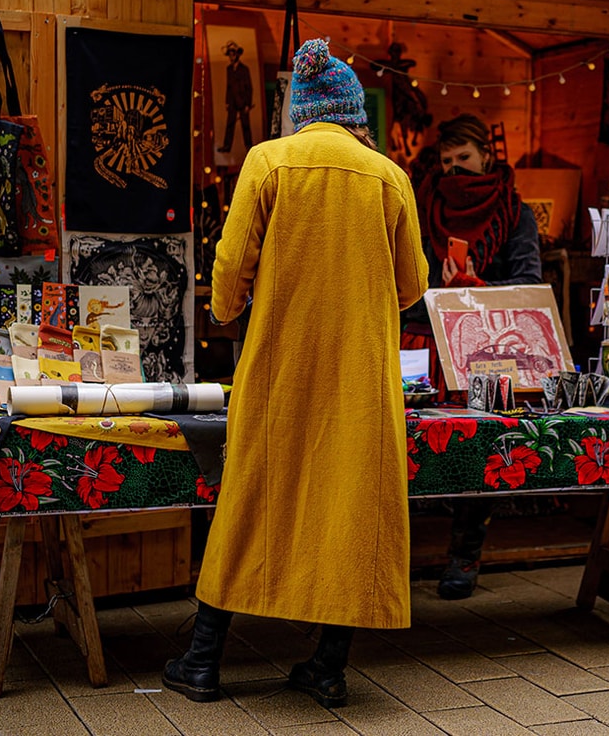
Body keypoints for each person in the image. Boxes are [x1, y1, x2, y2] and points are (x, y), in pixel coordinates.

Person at [163, 38, 429, 709]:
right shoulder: (389, 176)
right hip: (359, 374)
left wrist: (230, 310)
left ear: (300, 112)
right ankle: (328, 668)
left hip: (279, 365)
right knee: (349, 505)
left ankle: (203, 662)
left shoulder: (268, 161)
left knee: (252, 494)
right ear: (353, 116)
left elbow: (229, 269)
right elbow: (411, 286)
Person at [402, 113, 543, 600]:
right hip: (422, 345)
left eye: (464, 158)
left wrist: (477, 291)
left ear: (486, 155)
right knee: (408, 450)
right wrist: (442, 292)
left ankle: (465, 553)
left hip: (487, 351)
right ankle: (397, 554)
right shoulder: (422, 209)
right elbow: (402, 291)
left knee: (477, 452)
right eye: (446, 161)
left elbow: (529, 287)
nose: (455, 169)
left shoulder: (515, 213)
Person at [217, 40, 254, 154]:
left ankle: (249, 147)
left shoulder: (244, 69)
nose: (231, 57)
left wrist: (248, 103)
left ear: (237, 54)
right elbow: (228, 86)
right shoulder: (229, 69)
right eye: (230, 55)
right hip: (233, 101)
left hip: (242, 101)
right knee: (230, 125)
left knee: (245, 126)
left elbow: (249, 87)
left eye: (233, 54)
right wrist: (227, 102)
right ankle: (227, 147)